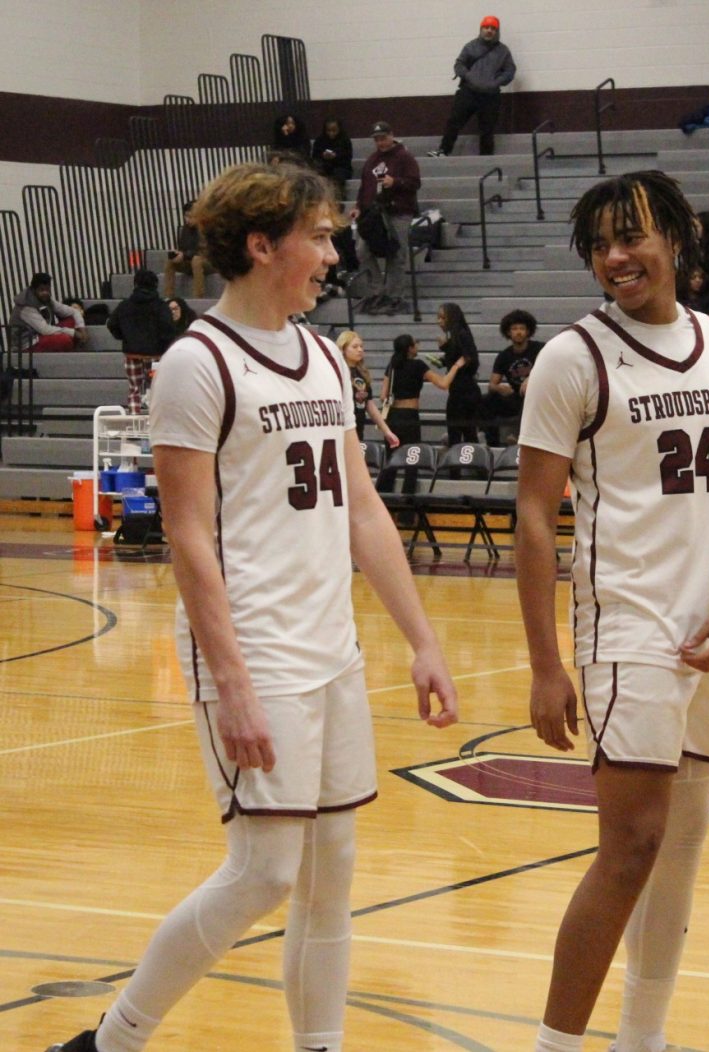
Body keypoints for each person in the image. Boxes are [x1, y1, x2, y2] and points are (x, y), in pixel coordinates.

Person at [45, 161, 458, 1052]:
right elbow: (189, 540)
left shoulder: (319, 355)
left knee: (331, 871)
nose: (333, 252)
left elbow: (363, 506)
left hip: (333, 650)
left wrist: (421, 639)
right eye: (319, 235)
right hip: (256, 654)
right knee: (266, 870)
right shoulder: (196, 365)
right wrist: (229, 681)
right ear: (263, 244)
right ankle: (112, 1040)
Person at [516, 169, 709, 1052]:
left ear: (678, 237)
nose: (616, 257)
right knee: (629, 849)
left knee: (681, 852)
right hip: (624, 626)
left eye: (631, 236)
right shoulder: (572, 357)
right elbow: (533, 517)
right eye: (600, 245)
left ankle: (644, 1039)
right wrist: (548, 666)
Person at [348, 121, 420, 315]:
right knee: (362, 249)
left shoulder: (404, 157)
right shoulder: (372, 160)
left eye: (383, 138)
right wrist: (357, 207)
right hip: (373, 213)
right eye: (377, 139)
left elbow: (415, 182)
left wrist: (395, 182)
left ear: (391, 136)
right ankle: (376, 291)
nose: (380, 142)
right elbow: (365, 187)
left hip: (398, 211)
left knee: (396, 254)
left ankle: (395, 295)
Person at [428, 15, 516, 157]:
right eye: (486, 27)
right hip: (468, 92)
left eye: (493, 28)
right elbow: (459, 64)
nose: (489, 31)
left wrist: (496, 82)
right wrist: (469, 77)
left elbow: (510, 71)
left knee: (487, 129)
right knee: (454, 122)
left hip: (491, 95)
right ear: (481, 29)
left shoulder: (503, 51)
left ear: (497, 31)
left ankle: (486, 159)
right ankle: (443, 151)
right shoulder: (470, 46)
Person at [107, 269, 176, 414]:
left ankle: (134, 423)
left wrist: (125, 336)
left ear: (135, 284)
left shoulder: (125, 305)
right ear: (155, 285)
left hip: (132, 354)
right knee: (156, 390)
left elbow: (112, 324)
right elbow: (168, 328)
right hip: (156, 354)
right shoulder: (160, 306)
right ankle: (155, 424)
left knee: (134, 390)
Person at [379, 333, 465, 446]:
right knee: (410, 454)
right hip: (409, 416)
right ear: (410, 348)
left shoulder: (392, 366)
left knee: (393, 457)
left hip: (393, 417)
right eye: (416, 343)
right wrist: (456, 366)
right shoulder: (418, 365)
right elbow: (443, 384)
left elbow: (383, 396)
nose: (418, 346)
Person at [482, 308, 544, 445]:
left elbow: (551, 369)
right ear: (508, 332)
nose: (518, 332)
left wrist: (531, 378)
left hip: (538, 396)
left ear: (528, 331)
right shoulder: (504, 356)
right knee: (487, 399)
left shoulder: (539, 349)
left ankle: (519, 438)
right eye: (514, 329)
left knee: (529, 398)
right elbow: (492, 384)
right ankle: (492, 444)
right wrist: (499, 388)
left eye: (522, 328)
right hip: (516, 398)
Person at [336, 330, 400, 446]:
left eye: (361, 346)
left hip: (359, 427)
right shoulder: (337, 372)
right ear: (343, 350)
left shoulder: (362, 373)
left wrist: (386, 431)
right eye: (355, 347)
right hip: (342, 429)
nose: (360, 350)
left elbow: (369, 404)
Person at [436, 301, 482, 443]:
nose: (439, 322)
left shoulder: (462, 334)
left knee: (464, 432)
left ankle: (467, 463)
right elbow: (458, 356)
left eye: (443, 318)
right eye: (438, 317)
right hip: (458, 390)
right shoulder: (456, 336)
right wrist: (445, 353)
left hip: (465, 391)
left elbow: (470, 359)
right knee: (458, 431)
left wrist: (453, 360)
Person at [9, 272, 87, 352]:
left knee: (72, 320)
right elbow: (45, 330)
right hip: (27, 344)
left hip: (41, 336)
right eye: (41, 290)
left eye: (47, 289)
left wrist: (81, 329)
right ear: (34, 289)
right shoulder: (26, 306)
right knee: (64, 340)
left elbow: (72, 311)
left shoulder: (47, 299)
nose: (45, 293)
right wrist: (74, 333)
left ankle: (72, 348)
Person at [164, 201, 211, 300]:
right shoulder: (185, 229)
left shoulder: (206, 228)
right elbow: (183, 248)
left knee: (196, 260)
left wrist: (185, 255)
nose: (187, 219)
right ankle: (168, 296)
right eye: (186, 216)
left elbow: (204, 251)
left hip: (209, 262)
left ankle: (198, 298)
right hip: (190, 260)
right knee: (170, 262)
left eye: (191, 216)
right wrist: (178, 255)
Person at [311, 116, 354, 197]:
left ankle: (338, 197)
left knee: (338, 176)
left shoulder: (345, 140)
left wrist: (336, 156)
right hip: (324, 167)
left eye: (334, 130)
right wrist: (323, 156)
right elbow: (315, 157)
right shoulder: (319, 140)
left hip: (342, 168)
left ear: (339, 129)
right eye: (328, 131)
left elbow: (348, 158)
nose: (331, 133)